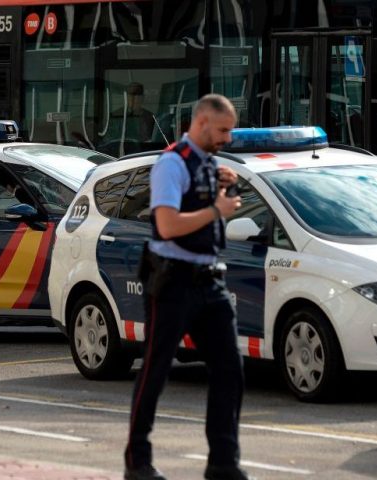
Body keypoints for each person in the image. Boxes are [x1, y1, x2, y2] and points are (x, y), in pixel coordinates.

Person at [124, 94, 251, 480]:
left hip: (210, 280)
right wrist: (217, 210)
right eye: (223, 130)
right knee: (156, 370)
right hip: (173, 280)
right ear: (201, 123)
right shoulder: (171, 164)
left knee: (230, 369)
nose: (228, 138)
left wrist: (223, 195)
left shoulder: (210, 165)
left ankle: (223, 463)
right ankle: (139, 463)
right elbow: (167, 225)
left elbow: (210, 219)